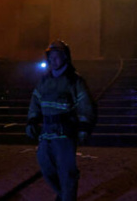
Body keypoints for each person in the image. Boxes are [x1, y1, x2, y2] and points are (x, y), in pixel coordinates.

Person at [26, 40, 97, 201]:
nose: (53, 61)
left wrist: (84, 128)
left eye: (56, 57)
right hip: (46, 133)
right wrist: (31, 121)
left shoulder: (75, 81)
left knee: (67, 172)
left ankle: (67, 198)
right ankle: (63, 194)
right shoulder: (44, 81)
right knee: (45, 166)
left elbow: (86, 105)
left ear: (65, 57)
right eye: (51, 57)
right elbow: (35, 102)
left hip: (65, 133)